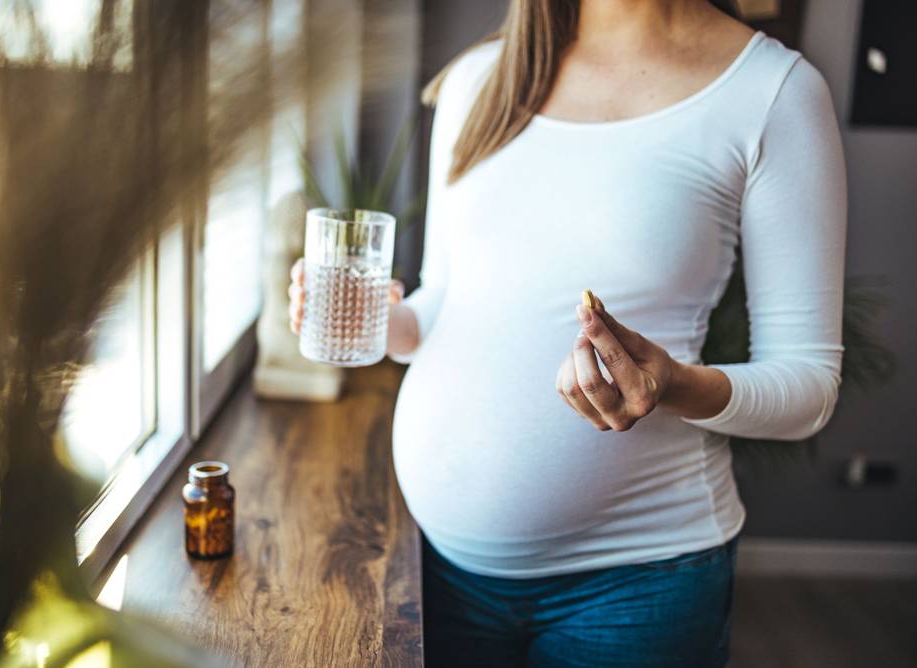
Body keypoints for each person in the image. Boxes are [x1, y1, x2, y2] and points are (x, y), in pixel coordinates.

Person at [289, 0, 846, 665]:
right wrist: (387, 324)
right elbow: (446, 303)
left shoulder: (772, 93)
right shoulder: (480, 77)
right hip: (436, 569)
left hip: (636, 588)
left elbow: (810, 387)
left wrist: (672, 383)